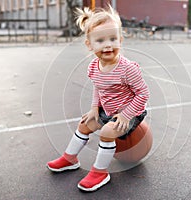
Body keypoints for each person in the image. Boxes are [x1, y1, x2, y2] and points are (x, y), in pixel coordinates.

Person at [47, 5, 150, 192]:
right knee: (84, 125)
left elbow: (143, 94)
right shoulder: (94, 67)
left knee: (107, 132)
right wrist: (94, 108)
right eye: (100, 40)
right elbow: (99, 88)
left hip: (132, 111)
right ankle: (70, 158)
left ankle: (100, 172)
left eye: (112, 39)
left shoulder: (128, 69)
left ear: (120, 40)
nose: (108, 45)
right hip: (109, 110)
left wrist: (126, 116)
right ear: (90, 45)